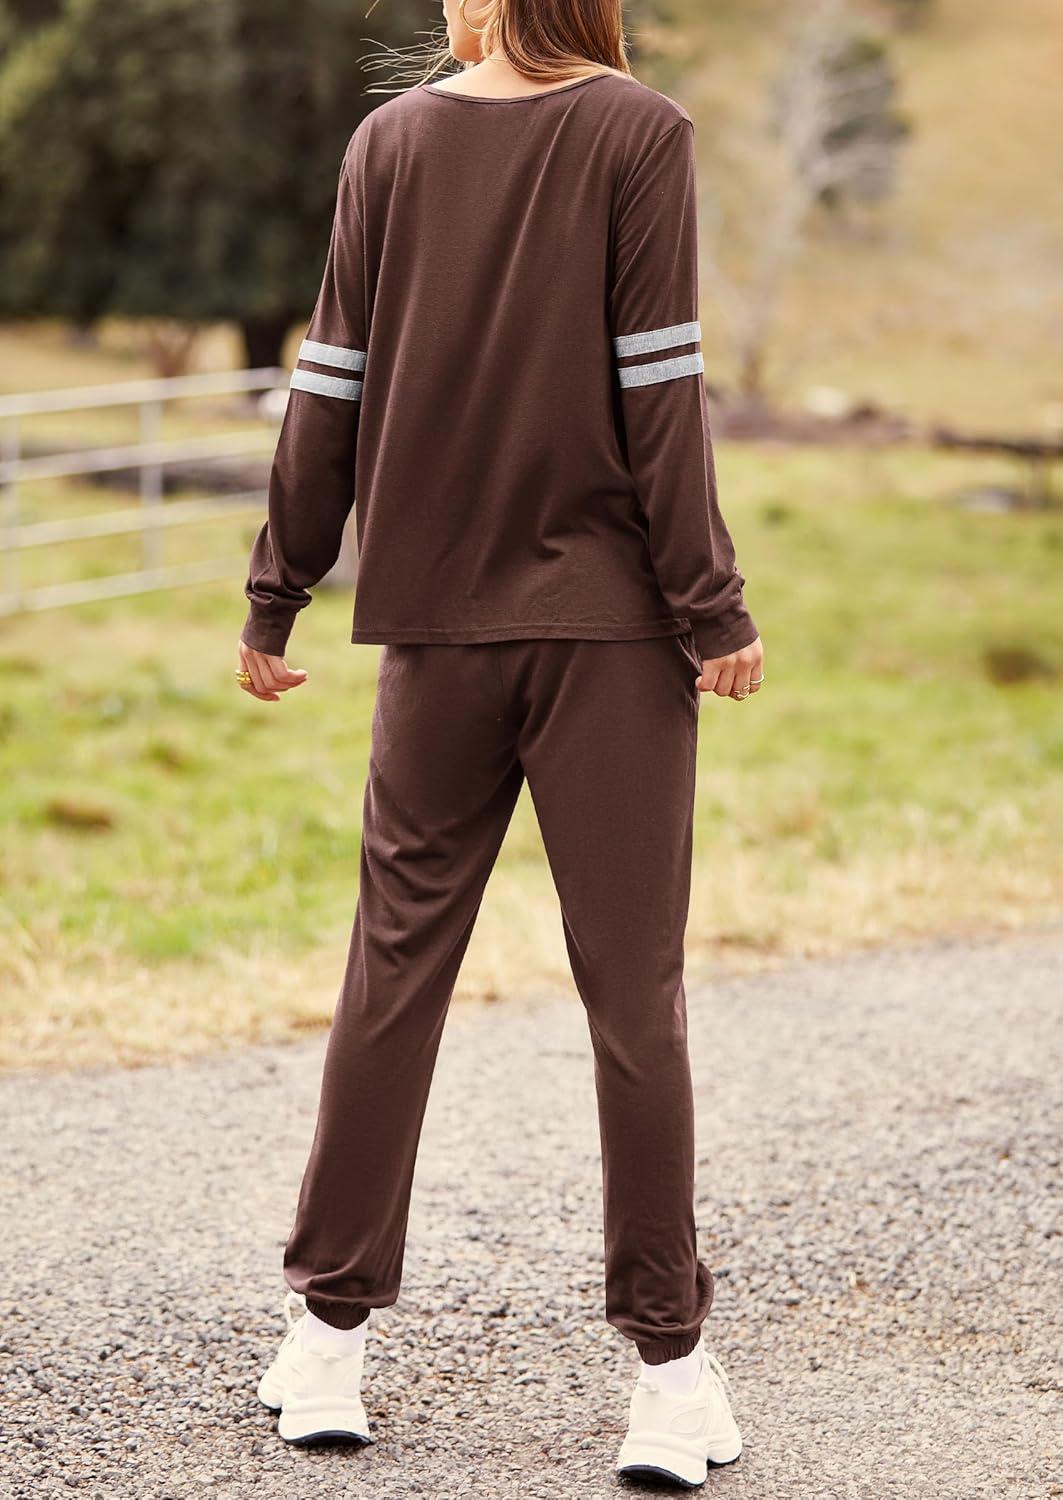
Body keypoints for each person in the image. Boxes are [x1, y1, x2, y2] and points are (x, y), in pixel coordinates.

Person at [237, 0, 764, 1486]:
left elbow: (327, 381)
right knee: (634, 997)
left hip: (434, 637)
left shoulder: (388, 143)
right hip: (612, 641)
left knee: (392, 974)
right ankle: (669, 1381)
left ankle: (325, 1346)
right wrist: (711, 604)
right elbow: (660, 387)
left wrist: (279, 586)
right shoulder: (639, 131)